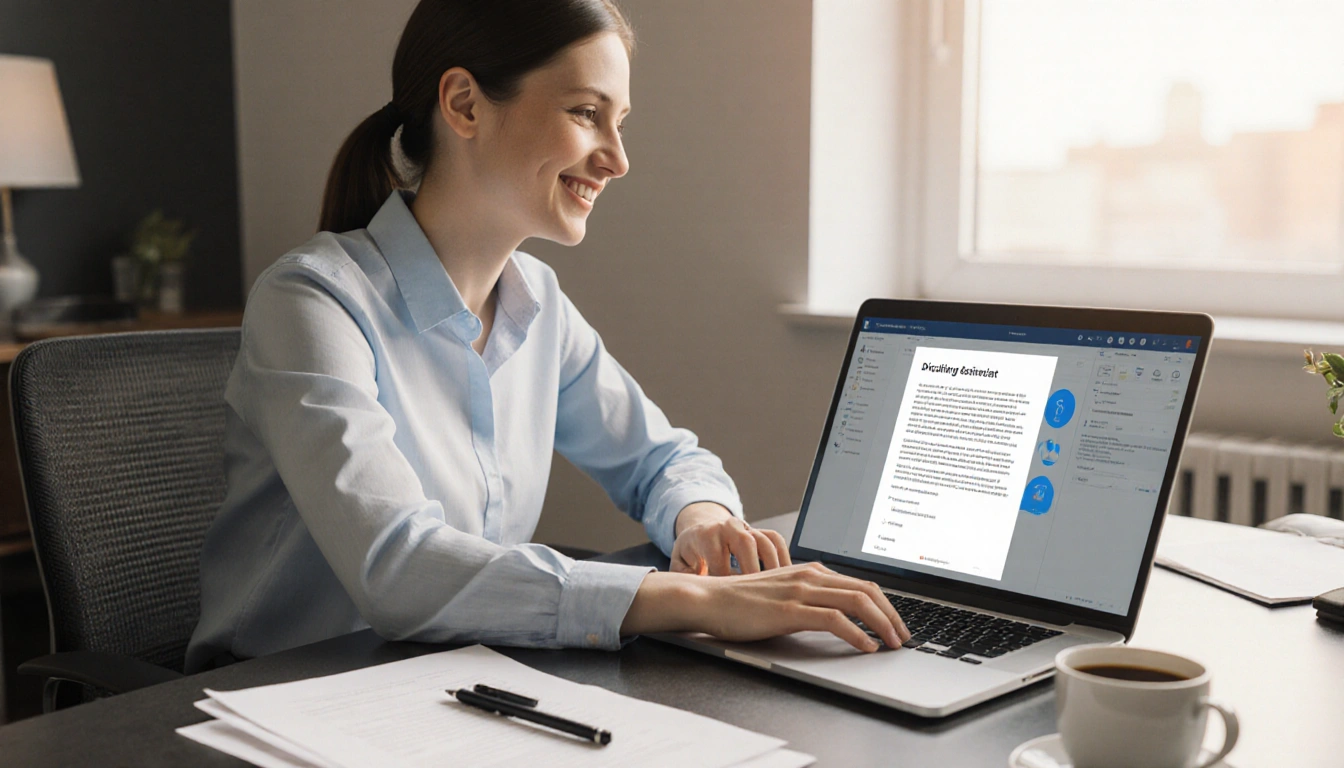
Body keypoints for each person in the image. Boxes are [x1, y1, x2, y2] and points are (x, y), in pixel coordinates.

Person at [186, 0, 908, 673]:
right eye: (587, 113)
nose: (618, 158)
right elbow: (397, 568)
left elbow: (660, 460)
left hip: (443, 681)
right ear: (464, 104)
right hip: (277, 698)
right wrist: (698, 602)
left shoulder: (539, 304)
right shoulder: (311, 300)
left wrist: (703, 517)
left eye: (621, 120)